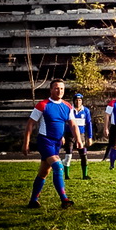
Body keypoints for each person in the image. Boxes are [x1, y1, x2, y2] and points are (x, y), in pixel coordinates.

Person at [23, 79, 81, 209]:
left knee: (44, 172)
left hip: (57, 143)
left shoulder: (67, 106)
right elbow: (30, 124)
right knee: (58, 166)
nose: (59, 91)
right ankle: (64, 199)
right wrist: (26, 142)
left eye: (61, 88)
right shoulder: (43, 105)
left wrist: (79, 139)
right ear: (51, 89)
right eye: (56, 88)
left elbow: (72, 124)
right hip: (45, 141)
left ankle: (33, 200)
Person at [61, 93, 92, 180]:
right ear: (73, 101)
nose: (78, 102)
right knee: (68, 155)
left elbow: (89, 124)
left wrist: (89, 137)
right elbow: (63, 124)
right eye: (76, 100)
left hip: (81, 135)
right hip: (69, 135)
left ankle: (84, 175)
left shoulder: (86, 111)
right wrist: (62, 136)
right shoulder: (69, 110)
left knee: (83, 155)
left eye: (80, 100)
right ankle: (66, 175)